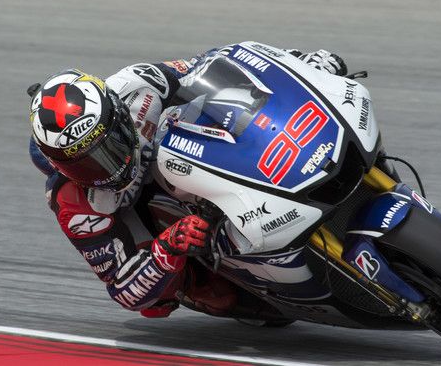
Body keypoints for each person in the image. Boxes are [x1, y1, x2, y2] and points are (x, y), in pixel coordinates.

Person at [28, 44, 348, 318]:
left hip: (186, 147)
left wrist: (298, 63)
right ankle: (215, 268)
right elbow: (125, 291)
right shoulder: (72, 202)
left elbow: (216, 62)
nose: (105, 168)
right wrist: (168, 247)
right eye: (84, 165)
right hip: (153, 220)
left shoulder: (138, 84)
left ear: (117, 114)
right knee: (212, 296)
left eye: (107, 148)